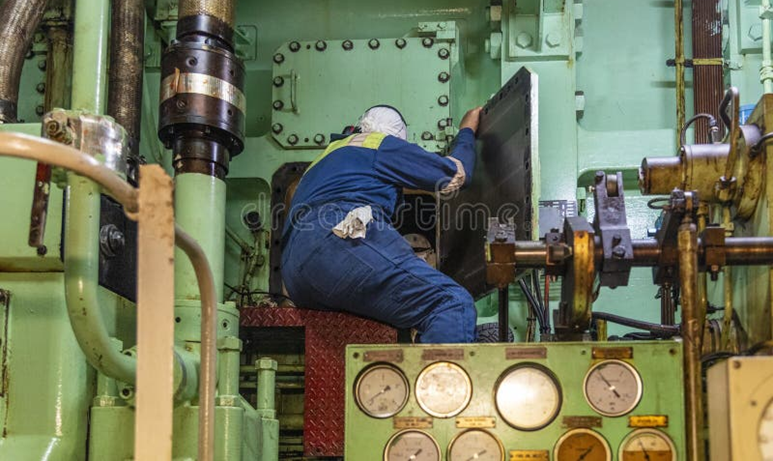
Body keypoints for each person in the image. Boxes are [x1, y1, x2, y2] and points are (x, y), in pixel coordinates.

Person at [280, 105, 482, 343]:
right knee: (451, 304)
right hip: (336, 243)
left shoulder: (328, 156)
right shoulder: (379, 144)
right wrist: (466, 130)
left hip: (295, 272)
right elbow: (457, 175)